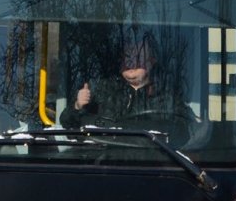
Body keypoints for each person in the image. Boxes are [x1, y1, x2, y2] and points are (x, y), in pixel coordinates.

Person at [59, 38, 198, 140]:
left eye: (139, 58)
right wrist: (77, 106)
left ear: (151, 61)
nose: (131, 64)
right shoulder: (102, 90)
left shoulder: (166, 97)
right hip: (105, 162)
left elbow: (187, 129)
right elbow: (67, 124)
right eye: (127, 58)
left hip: (153, 163)